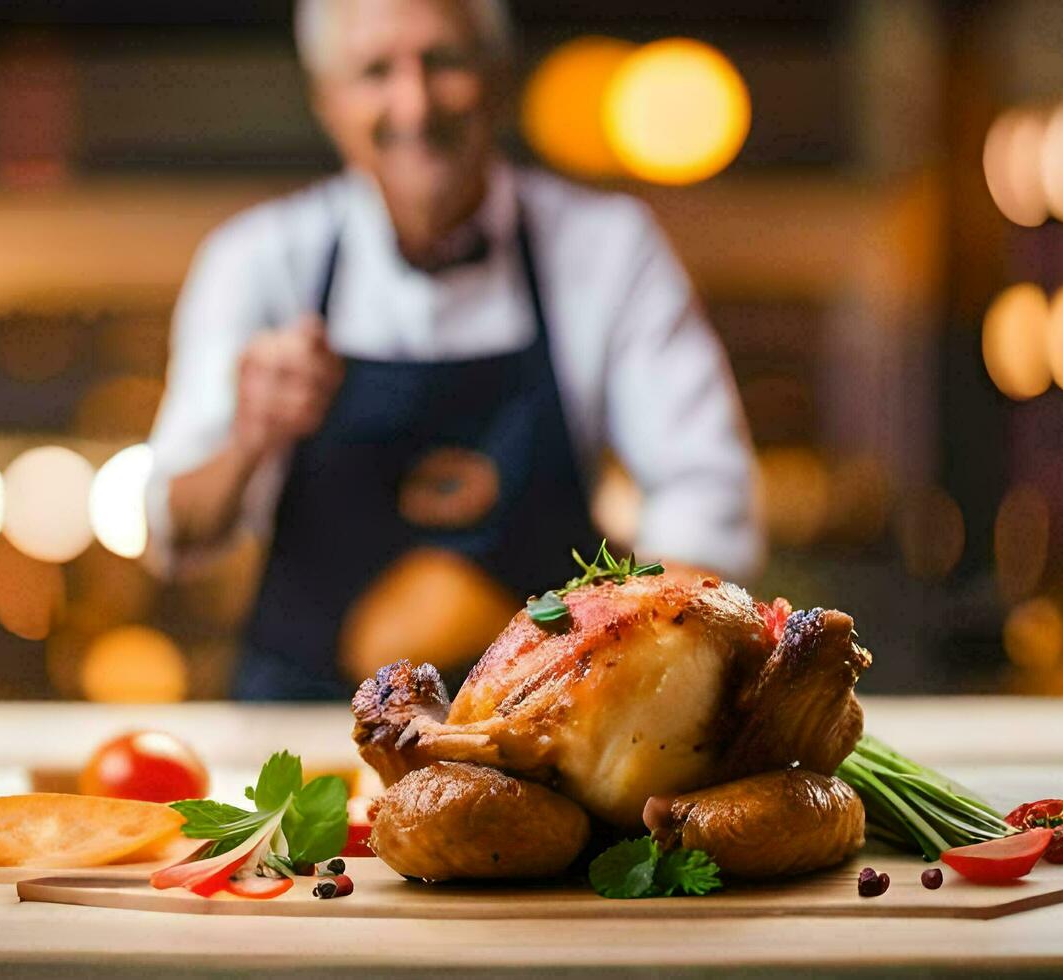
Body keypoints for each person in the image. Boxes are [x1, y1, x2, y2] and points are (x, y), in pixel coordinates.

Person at [146, 0, 762, 700]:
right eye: (375, 71)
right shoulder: (258, 260)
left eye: (441, 62)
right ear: (327, 102)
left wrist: (636, 671)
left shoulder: (608, 249)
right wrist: (249, 440)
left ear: (498, 79)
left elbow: (709, 504)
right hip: (306, 729)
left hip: (548, 726)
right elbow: (180, 534)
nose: (413, 105)